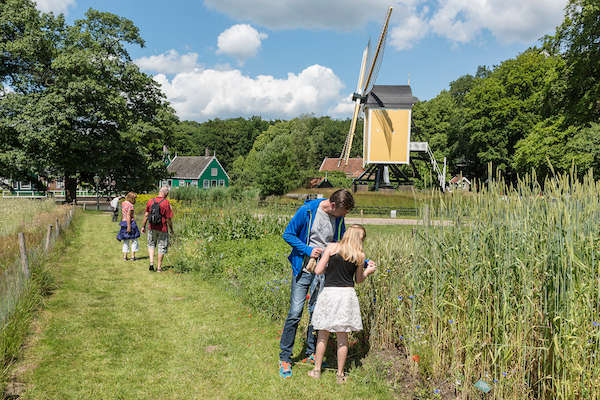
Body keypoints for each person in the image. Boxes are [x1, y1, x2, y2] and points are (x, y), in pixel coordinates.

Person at [278, 189, 354, 379]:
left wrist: (363, 260)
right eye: (343, 213)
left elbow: (343, 243)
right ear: (333, 205)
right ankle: (285, 357)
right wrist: (308, 249)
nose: (344, 217)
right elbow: (288, 234)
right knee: (295, 313)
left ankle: (311, 353)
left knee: (316, 313)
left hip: (324, 272)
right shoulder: (308, 211)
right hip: (304, 269)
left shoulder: (338, 218)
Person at [308, 224, 376, 383]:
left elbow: (318, 271)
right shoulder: (359, 255)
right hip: (346, 296)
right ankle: (340, 375)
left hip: (330, 293)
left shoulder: (331, 248)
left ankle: (317, 370)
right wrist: (368, 271)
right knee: (342, 336)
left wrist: (327, 266)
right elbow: (358, 280)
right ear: (360, 238)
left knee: (323, 335)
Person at [141, 186, 174, 272]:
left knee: (151, 244)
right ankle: (159, 267)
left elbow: (146, 215)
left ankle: (151, 263)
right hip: (162, 228)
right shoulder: (166, 203)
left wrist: (143, 226)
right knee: (161, 246)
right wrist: (171, 230)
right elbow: (168, 219)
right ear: (166, 194)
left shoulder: (150, 201)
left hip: (152, 227)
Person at [116, 192, 140, 261]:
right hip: (130, 223)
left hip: (123, 222)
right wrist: (129, 226)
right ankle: (132, 256)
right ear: (132, 198)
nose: (135, 200)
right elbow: (128, 216)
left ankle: (125, 257)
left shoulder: (123, 203)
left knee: (126, 240)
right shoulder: (130, 205)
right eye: (134, 198)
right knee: (134, 240)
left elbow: (124, 214)